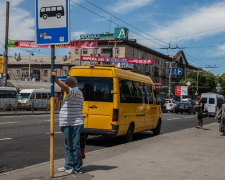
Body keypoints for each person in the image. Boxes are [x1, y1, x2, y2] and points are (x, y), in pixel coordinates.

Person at [51, 70, 84, 174]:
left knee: (74, 146)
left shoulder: (74, 91)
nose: (65, 85)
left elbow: (65, 88)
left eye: (67, 82)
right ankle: (68, 166)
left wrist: (56, 79)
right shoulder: (73, 92)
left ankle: (77, 168)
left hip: (73, 124)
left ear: (73, 84)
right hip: (69, 123)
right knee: (69, 146)